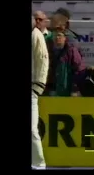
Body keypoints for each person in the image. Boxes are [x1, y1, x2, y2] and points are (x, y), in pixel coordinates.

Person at [45, 30, 86, 96]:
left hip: (69, 89)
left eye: (59, 35)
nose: (57, 37)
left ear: (65, 38)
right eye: (55, 36)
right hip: (57, 89)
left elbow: (79, 69)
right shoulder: (53, 52)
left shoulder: (71, 50)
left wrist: (75, 87)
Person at [32, 16, 49, 170]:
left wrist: (38, 86)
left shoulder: (36, 35)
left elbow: (43, 62)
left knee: (32, 129)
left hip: (31, 88)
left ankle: (38, 164)